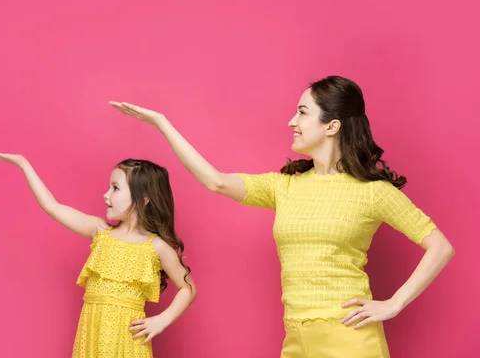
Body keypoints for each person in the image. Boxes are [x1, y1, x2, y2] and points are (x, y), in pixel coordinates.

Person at [110, 75, 454, 358]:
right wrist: (162, 124)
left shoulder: (372, 192)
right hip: (295, 338)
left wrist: (393, 304)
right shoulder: (284, 187)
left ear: (332, 125)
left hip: (348, 337)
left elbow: (440, 247)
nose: (292, 121)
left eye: (302, 113)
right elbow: (215, 181)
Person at [0, 153, 196, 357]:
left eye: (115, 188)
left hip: (126, 339)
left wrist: (162, 319)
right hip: (91, 333)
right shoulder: (100, 231)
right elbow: (52, 206)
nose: (106, 194)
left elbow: (188, 288)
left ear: (144, 199)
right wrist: (23, 164)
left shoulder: (156, 246)